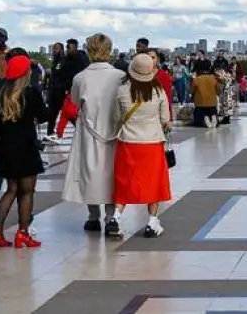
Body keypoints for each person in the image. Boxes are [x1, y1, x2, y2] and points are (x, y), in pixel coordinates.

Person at [0, 54, 49, 249]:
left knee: (11, 190)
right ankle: (23, 233)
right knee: (27, 191)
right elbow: (44, 116)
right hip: (26, 147)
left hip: (6, 146)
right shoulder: (30, 92)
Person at [63, 33, 124, 236]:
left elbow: (74, 100)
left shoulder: (81, 78)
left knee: (89, 171)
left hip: (89, 132)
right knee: (111, 173)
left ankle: (93, 216)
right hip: (114, 130)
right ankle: (111, 217)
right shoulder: (119, 76)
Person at [112, 52, 172, 238]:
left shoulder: (122, 91)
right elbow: (165, 120)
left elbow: (116, 118)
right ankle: (152, 222)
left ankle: (116, 217)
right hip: (152, 143)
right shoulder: (158, 92)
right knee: (153, 183)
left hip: (128, 142)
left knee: (124, 181)